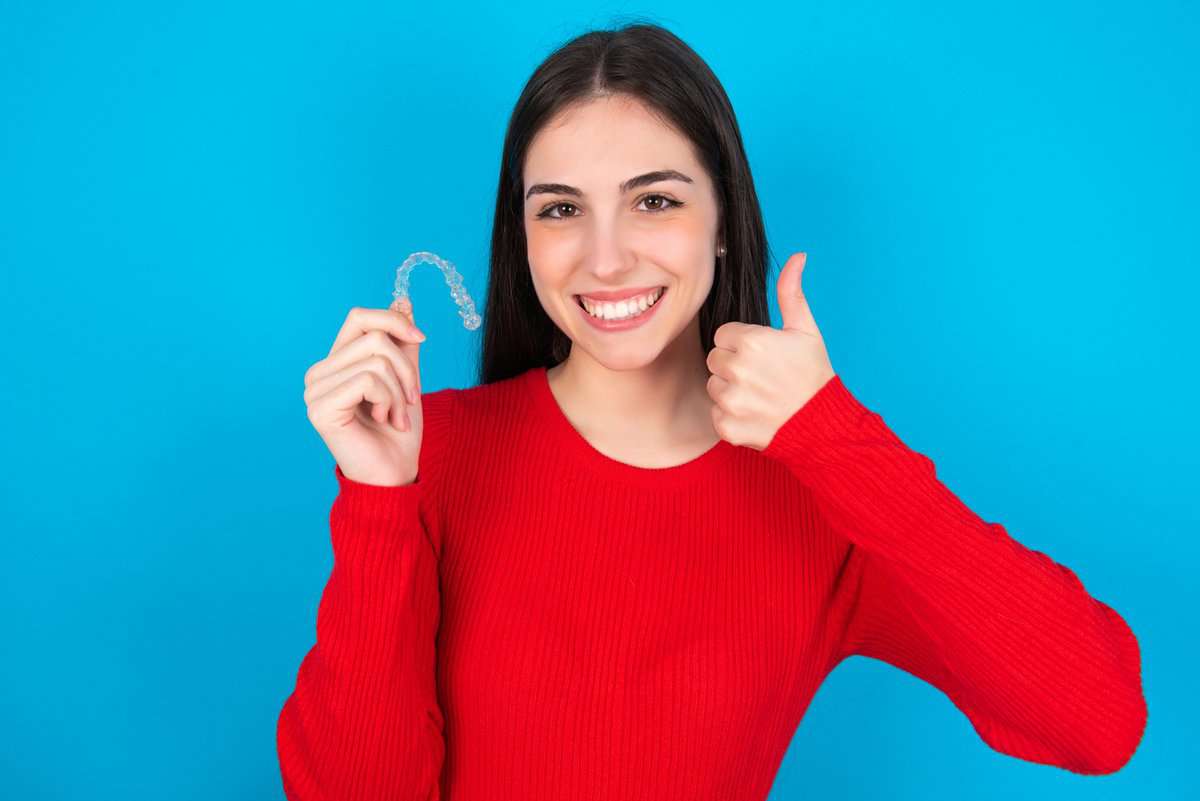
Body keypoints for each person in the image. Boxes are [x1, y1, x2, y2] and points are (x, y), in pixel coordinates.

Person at [277, 21, 1148, 800]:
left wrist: (838, 441)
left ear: (724, 220)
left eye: (655, 200)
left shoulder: (820, 487)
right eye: (561, 210)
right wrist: (380, 499)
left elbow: (1096, 721)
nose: (607, 257)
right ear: (524, 236)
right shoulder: (436, 453)